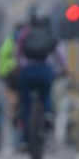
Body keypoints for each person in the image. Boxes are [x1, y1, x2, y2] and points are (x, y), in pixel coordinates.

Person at [14, 12, 66, 148]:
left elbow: (17, 52)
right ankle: (48, 115)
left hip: (27, 72)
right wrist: (64, 68)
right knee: (46, 94)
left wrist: (19, 66)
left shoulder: (24, 34)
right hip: (45, 70)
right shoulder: (49, 34)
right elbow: (59, 54)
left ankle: (25, 138)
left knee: (25, 103)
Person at [0, 21, 28, 147]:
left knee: (13, 105)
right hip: (25, 74)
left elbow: (1, 57)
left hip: (10, 76)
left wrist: (1, 74)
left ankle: (15, 119)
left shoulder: (8, 42)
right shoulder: (28, 39)